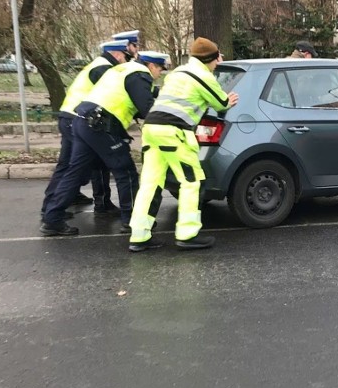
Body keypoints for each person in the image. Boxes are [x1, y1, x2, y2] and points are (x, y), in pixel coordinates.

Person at [128, 38, 239, 252]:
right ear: (211, 58)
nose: (218, 62)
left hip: (151, 130)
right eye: (217, 57)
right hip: (174, 132)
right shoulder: (204, 76)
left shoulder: (178, 73)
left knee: (151, 183)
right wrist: (230, 99)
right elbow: (221, 103)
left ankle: (139, 236)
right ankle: (188, 235)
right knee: (192, 182)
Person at [39, 50, 165, 236]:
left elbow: (126, 100)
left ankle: (52, 219)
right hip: (101, 125)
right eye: (160, 69)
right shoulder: (139, 73)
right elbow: (146, 108)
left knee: (75, 170)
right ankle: (132, 221)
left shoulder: (122, 69)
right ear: (152, 66)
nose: (159, 74)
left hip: (82, 119)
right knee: (126, 171)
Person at [40, 39, 132, 220]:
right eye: (126, 56)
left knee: (68, 165)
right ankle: (100, 203)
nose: (126, 61)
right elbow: (110, 94)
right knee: (89, 164)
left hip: (69, 115)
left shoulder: (98, 63)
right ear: (118, 54)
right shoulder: (104, 68)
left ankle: (51, 206)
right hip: (80, 118)